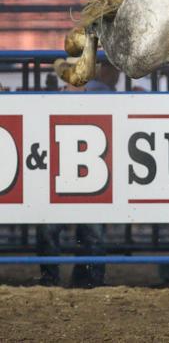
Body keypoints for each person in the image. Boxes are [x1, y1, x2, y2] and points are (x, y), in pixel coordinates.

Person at [36, 62, 118, 287]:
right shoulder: (101, 100)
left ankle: (85, 279)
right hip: (68, 177)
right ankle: (60, 278)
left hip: (84, 178)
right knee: (53, 229)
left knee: (89, 231)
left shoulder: (50, 102)